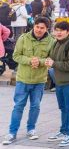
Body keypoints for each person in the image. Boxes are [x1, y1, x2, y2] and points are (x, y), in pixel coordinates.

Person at [3, 17, 55, 145]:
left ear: (46, 29)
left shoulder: (51, 41)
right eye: (37, 27)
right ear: (34, 26)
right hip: (23, 79)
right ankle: (12, 132)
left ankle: (31, 129)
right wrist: (30, 60)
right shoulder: (23, 38)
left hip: (39, 80)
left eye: (42, 28)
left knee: (35, 106)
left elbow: (52, 59)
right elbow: (16, 56)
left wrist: (40, 61)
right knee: (18, 106)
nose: (39, 30)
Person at [45, 21, 69, 147]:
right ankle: (64, 131)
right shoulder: (56, 43)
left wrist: (53, 64)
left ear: (68, 32)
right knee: (63, 108)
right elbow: (51, 58)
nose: (58, 32)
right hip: (59, 82)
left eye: (62, 30)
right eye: (57, 30)